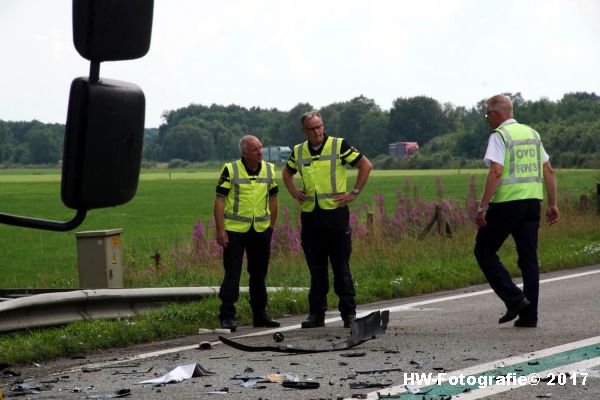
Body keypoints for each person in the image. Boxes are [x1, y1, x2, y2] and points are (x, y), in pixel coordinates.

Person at [474, 94, 559, 328]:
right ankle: (529, 316)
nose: (487, 120)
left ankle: (514, 299)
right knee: (529, 259)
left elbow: (497, 171)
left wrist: (483, 206)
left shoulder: (500, 135)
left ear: (497, 114)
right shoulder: (533, 134)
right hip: (532, 202)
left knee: (484, 251)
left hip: (507, 203)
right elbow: (548, 171)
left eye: (487, 115)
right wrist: (552, 204)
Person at [282, 111, 372, 329]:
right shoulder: (299, 151)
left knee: (341, 267)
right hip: (311, 215)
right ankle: (316, 315)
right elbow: (287, 173)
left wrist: (354, 192)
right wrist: (294, 191)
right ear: (304, 131)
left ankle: (349, 314)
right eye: (312, 128)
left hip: (335, 214)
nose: (317, 131)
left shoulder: (339, 145)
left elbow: (365, 165)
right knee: (316, 268)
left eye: (320, 126)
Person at [214, 135, 280, 332]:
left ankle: (260, 315)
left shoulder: (269, 169)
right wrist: (220, 229)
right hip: (235, 231)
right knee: (232, 273)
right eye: (255, 150)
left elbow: (274, 198)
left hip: (260, 230)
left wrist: (271, 226)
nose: (260, 152)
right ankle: (227, 316)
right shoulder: (231, 169)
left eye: (260, 148)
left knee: (259, 274)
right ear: (244, 153)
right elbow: (219, 200)